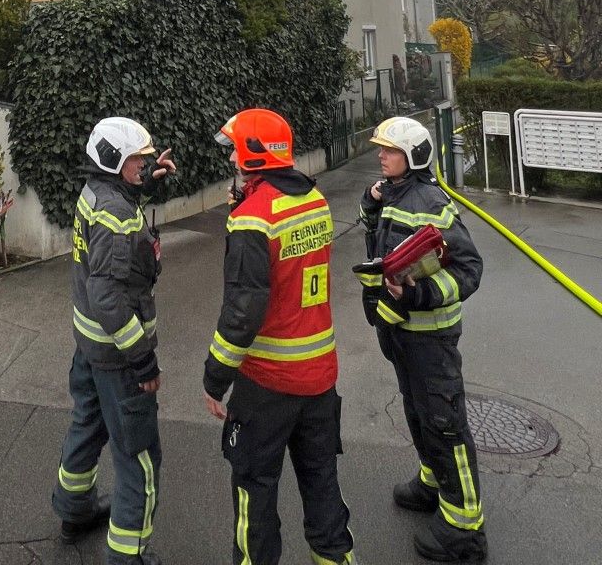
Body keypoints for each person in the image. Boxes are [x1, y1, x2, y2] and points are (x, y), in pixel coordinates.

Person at [203, 108, 355, 565]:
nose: (229, 157)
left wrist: (215, 377)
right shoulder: (313, 199)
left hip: (268, 383)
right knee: (322, 483)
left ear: (253, 154)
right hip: (321, 377)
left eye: (234, 148)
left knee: (255, 488)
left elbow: (243, 309)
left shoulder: (253, 218)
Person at [357, 116, 486, 563]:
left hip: (430, 337)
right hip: (401, 332)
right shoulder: (393, 193)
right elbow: (376, 233)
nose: (380, 155)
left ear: (412, 156)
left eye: (389, 150)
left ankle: (465, 526)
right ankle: (433, 482)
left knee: (445, 421)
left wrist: (421, 292)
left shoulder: (431, 201)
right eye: (380, 148)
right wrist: (371, 202)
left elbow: (468, 270)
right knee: (418, 413)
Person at [52, 116, 176, 565]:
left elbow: (118, 210)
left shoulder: (95, 193)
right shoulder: (118, 213)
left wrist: (146, 184)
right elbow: (109, 296)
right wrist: (143, 361)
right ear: (114, 162)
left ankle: (74, 509)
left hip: (87, 343)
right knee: (139, 457)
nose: (144, 164)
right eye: (138, 160)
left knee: (88, 422)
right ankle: (129, 555)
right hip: (117, 353)